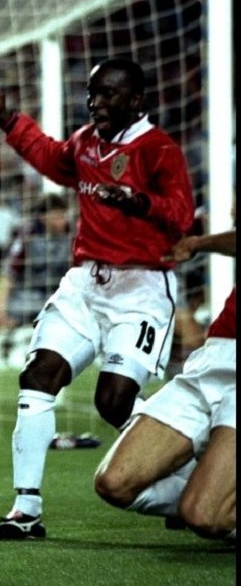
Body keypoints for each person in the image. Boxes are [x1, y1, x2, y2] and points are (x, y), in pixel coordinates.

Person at [0, 57, 195, 540]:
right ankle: (26, 510)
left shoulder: (158, 149)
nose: (96, 102)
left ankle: (189, 471)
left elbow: (181, 215)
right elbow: (52, 159)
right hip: (86, 284)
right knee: (37, 375)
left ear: (136, 99)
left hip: (141, 288)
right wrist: (5, 117)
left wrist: (139, 202)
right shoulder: (87, 141)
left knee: (113, 401)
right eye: (93, 93)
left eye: (109, 94)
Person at [94, 228, 235, 541]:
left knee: (203, 515)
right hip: (215, 356)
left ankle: (215, 498)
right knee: (114, 483)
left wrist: (200, 242)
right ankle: (213, 486)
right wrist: (199, 243)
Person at [0, 193, 72, 410]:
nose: (62, 220)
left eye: (63, 215)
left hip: (56, 297)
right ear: (44, 217)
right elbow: (8, 274)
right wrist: (0, 309)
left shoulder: (75, 234)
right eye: (57, 215)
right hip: (23, 296)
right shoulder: (28, 235)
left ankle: (55, 392)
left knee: (66, 337)